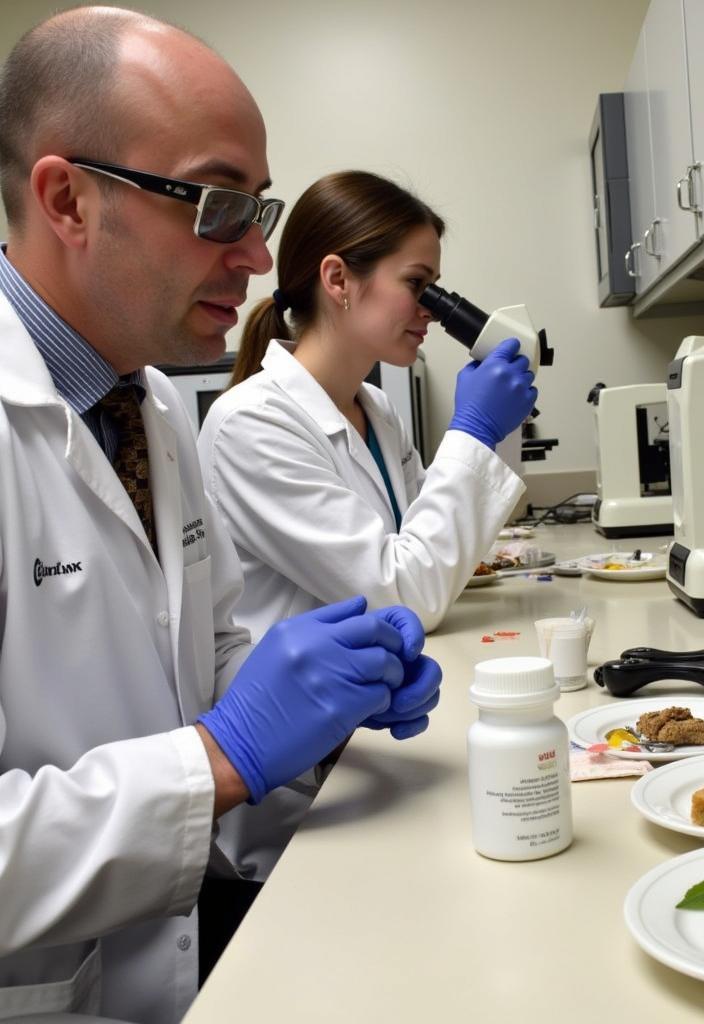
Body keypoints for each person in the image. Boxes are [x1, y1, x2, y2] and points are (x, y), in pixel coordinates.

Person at [0, 9, 441, 1023]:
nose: (254, 259)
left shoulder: (149, 405)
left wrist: (323, 717)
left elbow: (208, 660)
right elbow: (208, 741)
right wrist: (225, 753)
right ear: (67, 197)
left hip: (181, 957)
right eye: (214, 207)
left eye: (259, 211)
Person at [196, 170, 536, 639]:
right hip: (307, 708)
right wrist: (473, 430)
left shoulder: (374, 408)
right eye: (417, 284)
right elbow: (407, 596)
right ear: (338, 280)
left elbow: (437, 554)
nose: (432, 309)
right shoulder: (250, 425)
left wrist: (497, 430)